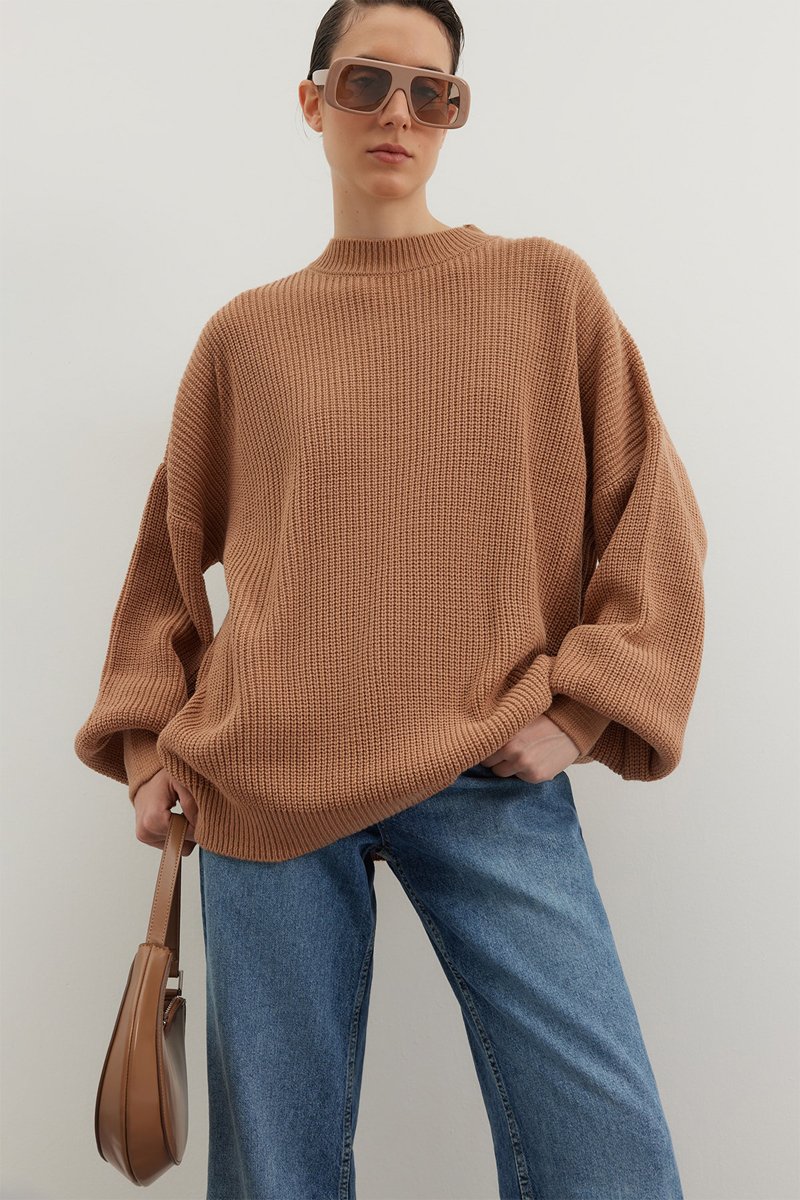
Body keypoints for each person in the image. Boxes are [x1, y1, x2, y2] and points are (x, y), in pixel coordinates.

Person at [74, 1, 707, 1196]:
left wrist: (580, 714)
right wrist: (152, 740)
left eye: (433, 92)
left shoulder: (542, 291)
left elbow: (654, 520)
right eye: (367, 83)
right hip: (264, 781)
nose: (399, 114)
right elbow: (165, 560)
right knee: (280, 1173)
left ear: (456, 112)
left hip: (486, 764)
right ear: (311, 100)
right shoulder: (246, 337)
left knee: (605, 1151)